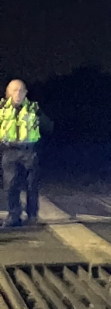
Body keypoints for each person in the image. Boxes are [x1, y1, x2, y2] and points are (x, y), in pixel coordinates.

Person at [1, 80, 52, 227]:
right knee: (10, 185)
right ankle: (13, 216)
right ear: (8, 93)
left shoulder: (33, 109)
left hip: (29, 152)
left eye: (20, 90)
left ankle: (32, 216)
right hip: (9, 151)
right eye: (14, 90)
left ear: (25, 93)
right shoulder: (2, 109)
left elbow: (48, 126)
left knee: (31, 185)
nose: (17, 94)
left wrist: (40, 120)